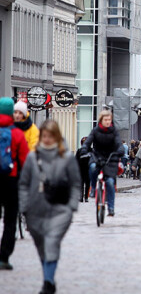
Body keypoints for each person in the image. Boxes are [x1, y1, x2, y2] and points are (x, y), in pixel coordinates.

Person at [18, 119, 80, 294]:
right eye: (44, 136)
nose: (46, 139)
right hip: (35, 210)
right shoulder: (32, 157)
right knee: (42, 247)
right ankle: (49, 279)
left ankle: (47, 283)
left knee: (52, 242)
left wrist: (72, 206)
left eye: (50, 136)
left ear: (57, 137)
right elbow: (23, 183)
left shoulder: (66, 158)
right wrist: (24, 207)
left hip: (60, 210)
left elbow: (76, 183)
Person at [0, 97, 29, 271]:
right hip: (11, 180)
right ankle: (3, 257)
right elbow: (25, 160)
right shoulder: (17, 133)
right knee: (10, 219)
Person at [82, 110, 123, 217]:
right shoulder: (96, 130)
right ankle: (93, 187)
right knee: (92, 167)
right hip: (97, 156)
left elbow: (119, 142)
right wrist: (84, 149)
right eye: (105, 120)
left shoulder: (114, 131)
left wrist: (120, 150)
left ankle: (111, 207)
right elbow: (88, 141)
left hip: (111, 158)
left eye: (109, 120)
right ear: (101, 120)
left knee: (109, 182)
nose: (107, 122)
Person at [75, 137, 91, 202]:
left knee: (84, 184)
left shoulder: (91, 150)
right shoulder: (79, 151)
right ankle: (83, 197)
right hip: (83, 169)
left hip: (86, 169)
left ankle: (84, 197)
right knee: (84, 184)